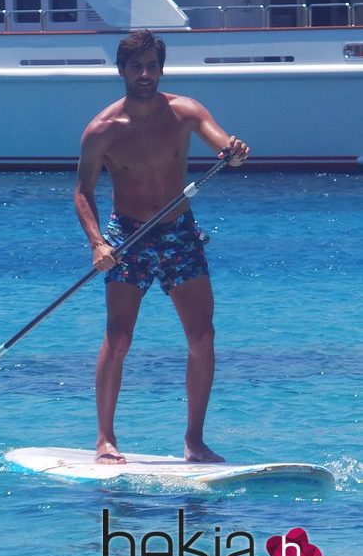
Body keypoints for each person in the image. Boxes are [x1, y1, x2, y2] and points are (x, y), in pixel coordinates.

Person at [74, 30, 249, 464]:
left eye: (152, 66)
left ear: (161, 68)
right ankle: (105, 439)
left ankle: (194, 440)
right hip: (127, 237)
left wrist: (235, 152)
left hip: (179, 233)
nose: (146, 74)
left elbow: (222, 142)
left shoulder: (185, 111)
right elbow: (82, 192)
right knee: (118, 337)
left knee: (203, 336)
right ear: (123, 71)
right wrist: (97, 244)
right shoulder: (102, 130)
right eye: (137, 67)